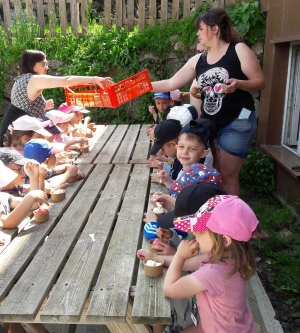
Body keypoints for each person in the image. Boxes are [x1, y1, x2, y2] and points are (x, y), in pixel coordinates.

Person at [151, 8, 265, 196]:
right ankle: (216, 214)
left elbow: (260, 82)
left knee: (228, 175)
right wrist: (142, 86)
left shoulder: (238, 50)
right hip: (212, 124)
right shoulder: (199, 60)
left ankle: (229, 221)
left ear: (214, 30)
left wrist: (239, 84)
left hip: (240, 119)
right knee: (216, 170)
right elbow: (171, 82)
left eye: (200, 29)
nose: (197, 33)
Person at [163, 195, 260, 333]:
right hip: (222, 326)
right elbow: (189, 263)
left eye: (201, 230)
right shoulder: (230, 257)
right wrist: (159, 259)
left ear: (225, 240)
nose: (194, 231)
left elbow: (170, 289)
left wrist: (179, 255)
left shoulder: (215, 273)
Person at [0, 49, 113, 146]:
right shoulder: (34, 79)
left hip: (13, 131)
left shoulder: (21, 79)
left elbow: (26, 105)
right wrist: (95, 79)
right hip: (17, 137)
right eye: (44, 64)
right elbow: (66, 81)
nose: (47, 67)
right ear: (33, 65)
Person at [156, 120, 210, 188]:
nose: (185, 152)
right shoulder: (185, 169)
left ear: (203, 153)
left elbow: (181, 197)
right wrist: (167, 180)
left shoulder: (197, 178)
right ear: (176, 147)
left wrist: (167, 198)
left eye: (192, 149)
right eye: (181, 147)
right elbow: (178, 188)